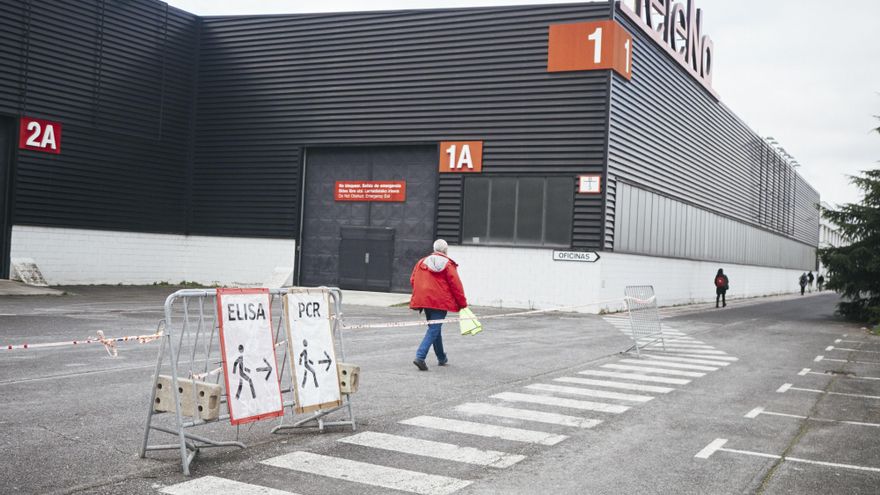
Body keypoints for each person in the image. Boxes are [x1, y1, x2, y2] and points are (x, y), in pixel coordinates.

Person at [409, 239, 468, 371]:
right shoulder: (448, 264)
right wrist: (463, 304)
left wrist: (422, 293)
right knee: (434, 328)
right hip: (440, 302)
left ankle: (441, 357)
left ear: (434, 249)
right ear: (446, 250)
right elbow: (456, 286)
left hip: (425, 300)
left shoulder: (421, 262)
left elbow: (413, 279)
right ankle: (420, 356)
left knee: (435, 328)